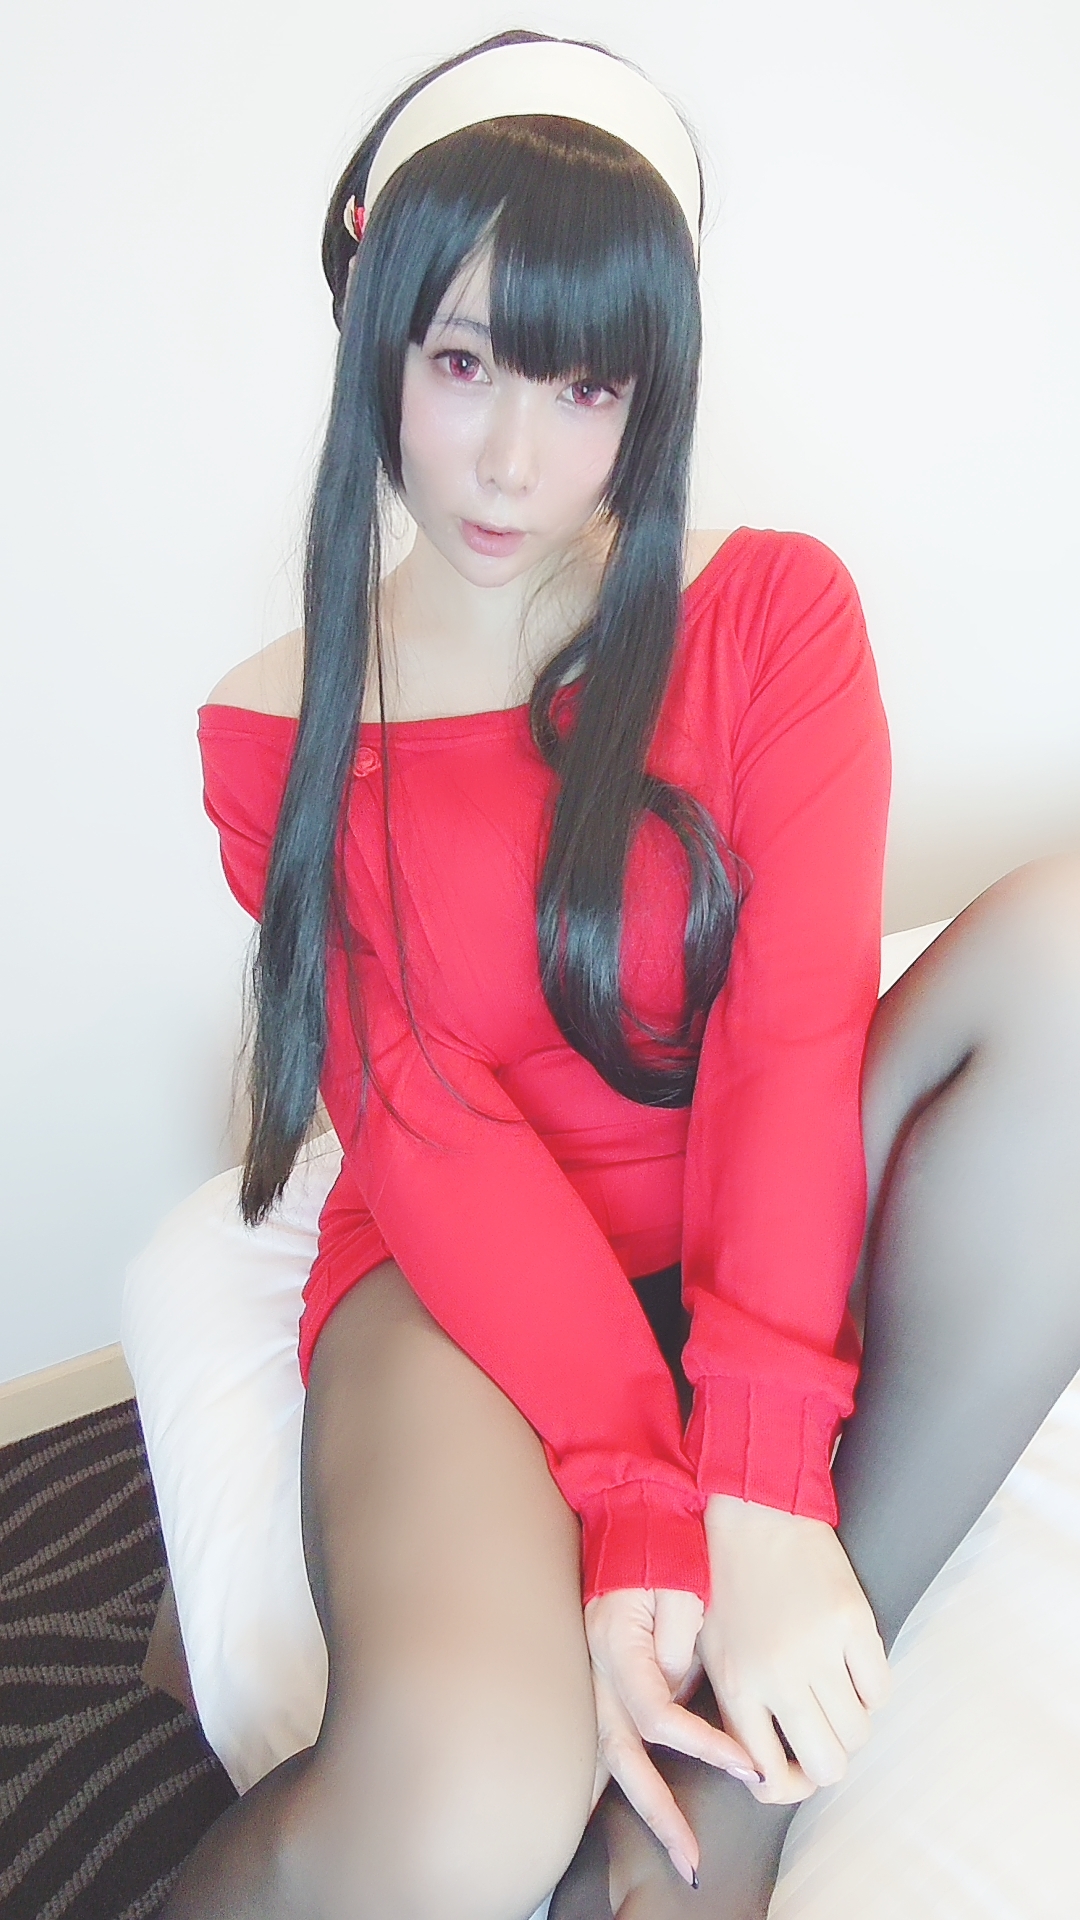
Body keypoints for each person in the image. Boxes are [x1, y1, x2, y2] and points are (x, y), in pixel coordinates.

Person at [159, 28, 1080, 1920]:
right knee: (463, 1812)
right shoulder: (275, 727)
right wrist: (640, 1503)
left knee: (1071, 951)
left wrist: (761, 1494)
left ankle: (753, 1756)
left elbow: (790, 1043)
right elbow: (422, 1126)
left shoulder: (769, 615)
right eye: (463, 362)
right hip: (464, 1289)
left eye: (587, 385)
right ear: (374, 330)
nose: (514, 461)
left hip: (760, 1220)